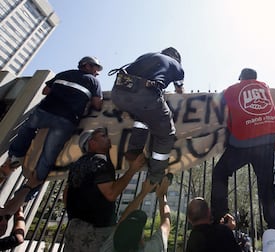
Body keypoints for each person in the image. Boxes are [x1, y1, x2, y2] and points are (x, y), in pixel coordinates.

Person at [0, 56, 104, 219]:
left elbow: (45, 91)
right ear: (87, 66)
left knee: (27, 130)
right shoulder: (93, 82)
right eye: (96, 68)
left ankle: (15, 158)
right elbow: (98, 104)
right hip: (65, 121)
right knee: (48, 157)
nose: (97, 72)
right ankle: (27, 191)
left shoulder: (64, 73)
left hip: (45, 112)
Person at [210, 68, 275, 232]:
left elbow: (216, 102)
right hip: (267, 141)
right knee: (267, 185)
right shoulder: (264, 86)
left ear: (241, 79)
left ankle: (220, 216)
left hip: (243, 142)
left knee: (220, 173)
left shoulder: (232, 89)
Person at [63, 127, 146, 252]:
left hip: (74, 229)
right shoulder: (100, 162)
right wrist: (132, 169)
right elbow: (111, 194)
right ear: (92, 143)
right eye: (102, 136)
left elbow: (66, 193)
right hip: (95, 232)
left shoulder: (78, 164)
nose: (108, 138)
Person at [111, 47, 184, 185]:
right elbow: (179, 90)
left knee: (142, 119)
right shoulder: (176, 66)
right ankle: (155, 176)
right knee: (166, 135)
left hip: (119, 91)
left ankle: (134, 152)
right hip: (144, 94)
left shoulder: (147, 56)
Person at [100, 175, 172, 252]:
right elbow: (166, 224)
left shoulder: (109, 248)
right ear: (141, 241)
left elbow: (122, 221)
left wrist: (143, 193)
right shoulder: (152, 249)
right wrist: (162, 195)